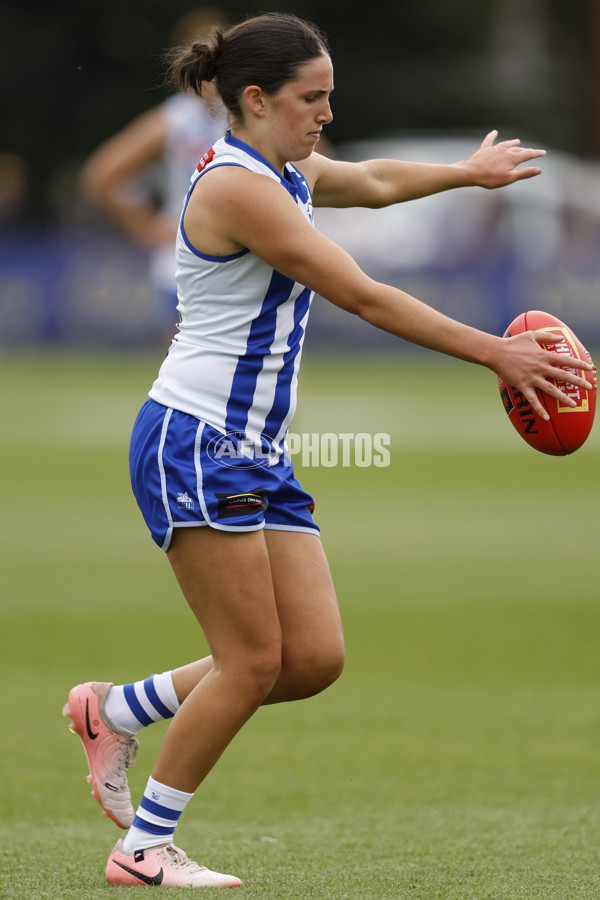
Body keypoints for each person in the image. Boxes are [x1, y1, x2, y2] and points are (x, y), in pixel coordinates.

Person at [63, 12, 595, 890]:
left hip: (253, 450)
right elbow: (365, 295)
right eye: (313, 99)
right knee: (251, 661)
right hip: (198, 440)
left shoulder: (282, 167)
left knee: (310, 659)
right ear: (257, 99)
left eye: (331, 97)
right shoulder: (239, 188)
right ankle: (145, 847)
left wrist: (466, 172)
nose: (326, 115)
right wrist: (494, 351)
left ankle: (118, 710)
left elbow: (374, 180)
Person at [78, 9, 230, 338]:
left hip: (246, 244)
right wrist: (144, 226)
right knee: (183, 362)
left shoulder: (250, 111)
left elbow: (316, 162)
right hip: (184, 251)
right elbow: (102, 175)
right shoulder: (174, 119)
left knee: (266, 360)